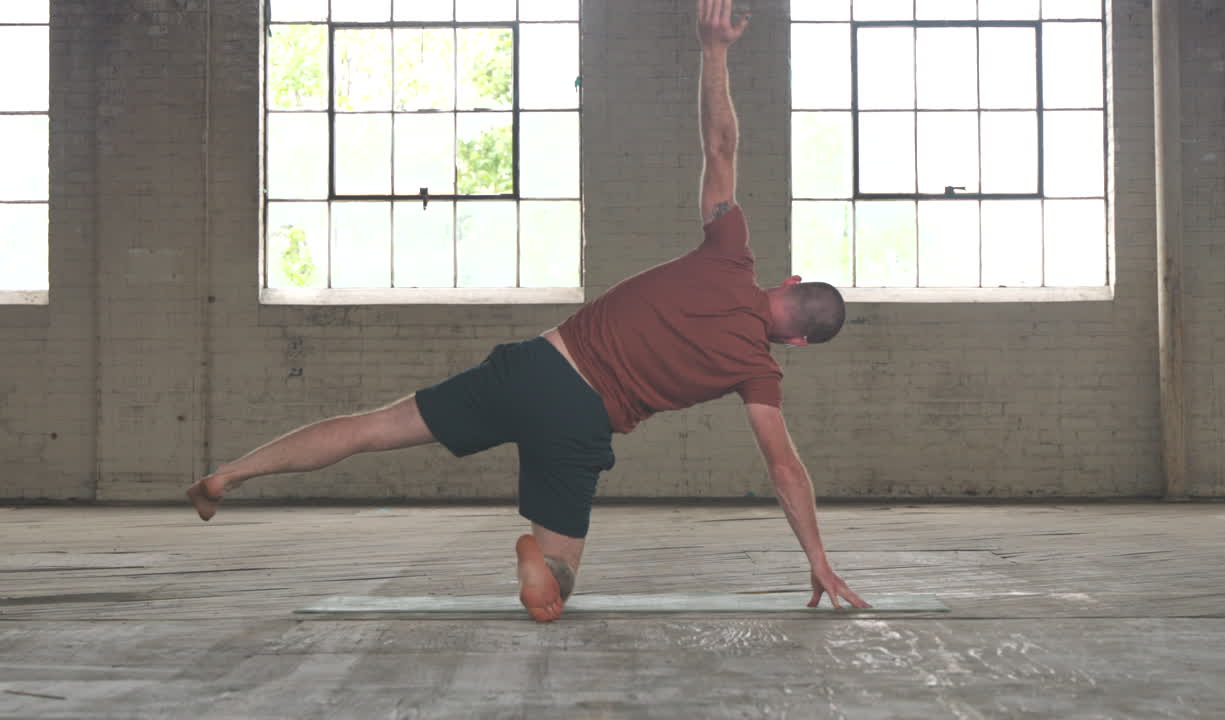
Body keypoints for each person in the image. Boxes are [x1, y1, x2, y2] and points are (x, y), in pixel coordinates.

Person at [187, 0, 870, 622]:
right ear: (797, 343)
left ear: (787, 280)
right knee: (556, 590)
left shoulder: (729, 252)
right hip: (579, 422)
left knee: (371, 428)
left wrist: (713, 49)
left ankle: (230, 474)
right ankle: (538, 562)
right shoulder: (758, 371)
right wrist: (818, 559)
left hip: (535, 365)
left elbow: (720, 147)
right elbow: (785, 468)